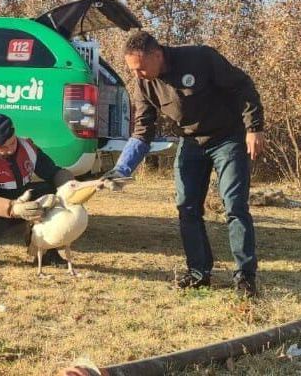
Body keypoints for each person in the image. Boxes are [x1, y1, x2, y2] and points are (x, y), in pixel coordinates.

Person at [106, 31, 265, 297]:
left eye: (141, 68)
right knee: (187, 206)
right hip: (191, 143)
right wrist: (122, 169)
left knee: (234, 205)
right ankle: (199, 273)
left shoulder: (200, 58)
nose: (138, 75)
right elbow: (143, 130)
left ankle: (245, 277)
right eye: (133, 70)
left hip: (227, 138)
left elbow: (243, 85)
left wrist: (255, 127)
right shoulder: (144, 84)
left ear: (157, 55)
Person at [0, 114, 76, 265]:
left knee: (50, 194)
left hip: (21, 193)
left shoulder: (28, 147)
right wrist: (13, 208)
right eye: (3, 148)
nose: (10, 150)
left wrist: (69, 186)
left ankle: (46, 250)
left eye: (12, 143)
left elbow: (52, 172)